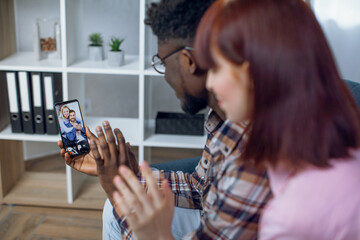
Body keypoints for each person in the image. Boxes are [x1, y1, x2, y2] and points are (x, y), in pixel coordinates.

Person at [112, 0, 360, 239]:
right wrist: (127, 177)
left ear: (257, 68)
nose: (210, 81)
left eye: (217, 66)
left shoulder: (286, 215)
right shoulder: (322, 145)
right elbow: (201, 184)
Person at [58, 0, 271, 239]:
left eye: (163, 63)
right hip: (211, 212)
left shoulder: (251, 160)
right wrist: (126, 175)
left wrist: (115, 191)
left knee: (118, 208)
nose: (166, 77)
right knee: (114, 209)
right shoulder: (221, 119)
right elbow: (199, 186)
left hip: (219, 225)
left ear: (188, 61)